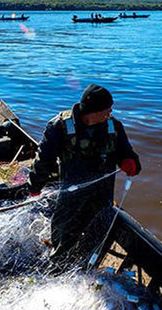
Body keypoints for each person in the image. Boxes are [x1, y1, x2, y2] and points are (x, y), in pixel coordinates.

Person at [28, 84, 141, 264]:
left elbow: (126, 151)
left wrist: (131, 162)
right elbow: (44, 160)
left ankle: (85, 265)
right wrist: (35, 186)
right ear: (93, 111)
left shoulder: (114, 126)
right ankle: (58, 266)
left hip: (102, 197)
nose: (110, 112)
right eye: (107, 109)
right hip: (71, 196)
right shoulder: (59, 126)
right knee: (63, 235)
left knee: (96, 236)